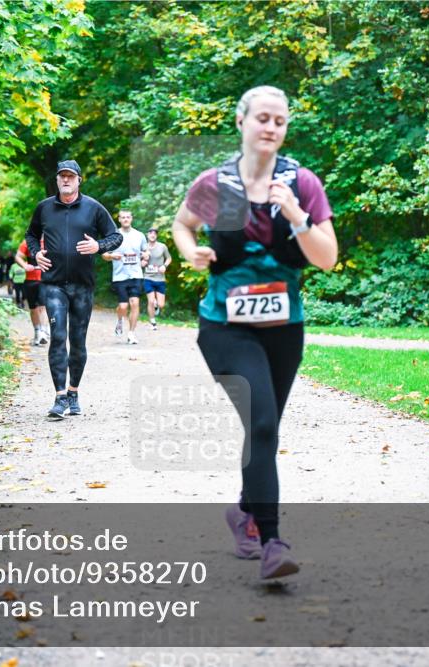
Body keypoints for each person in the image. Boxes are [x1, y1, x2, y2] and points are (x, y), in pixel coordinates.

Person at [172, 86, 338, 579]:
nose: (271, 127)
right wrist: (192, 252)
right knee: (262, 423)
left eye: (280, 121)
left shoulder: (301, 183)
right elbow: (182, 225)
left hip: (284, 328)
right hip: (226, 326)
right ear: (241, 121)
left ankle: (245, 508)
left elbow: (327, 258)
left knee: (263, 428)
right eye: (262, 118)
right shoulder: (215, 183)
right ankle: (272, 542)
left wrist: (298, 217)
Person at [25, 160, 122, 420]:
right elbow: (31, 235)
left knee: (78, 341)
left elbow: (115, 236)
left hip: (82, 286)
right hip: (53, 284)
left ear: (79, 180)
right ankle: (59, 397)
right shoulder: (44, 208)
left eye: (70, 176)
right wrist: (36, 254)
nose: (66, 180)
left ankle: (73, 392)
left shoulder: (93, 208)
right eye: (62, 176)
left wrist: (98, 247)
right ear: (57, 180)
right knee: (57, 336)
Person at [102, 210, 149, 344]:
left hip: (136, 274)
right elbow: (104, 254)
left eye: (128, 217)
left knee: (135, 303)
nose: (126, 219)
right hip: (120, 276)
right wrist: (112, 256)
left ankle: (131, 333)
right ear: (119, 219)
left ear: (131, 218)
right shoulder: (114, 236)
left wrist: (146, 257)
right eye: (123, 217)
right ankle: (119, 320)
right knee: (123, 306)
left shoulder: (139, 235)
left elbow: (146, 251)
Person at [16, 239, 49, 346]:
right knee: (33, 308)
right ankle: (37, 332)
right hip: (30, 280)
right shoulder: (27, 242)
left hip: (45, 279)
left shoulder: (51, 240)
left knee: (42, 306)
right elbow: (18, 256)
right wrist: (25, 265)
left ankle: (43, 332)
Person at [142, 227, 172, 330]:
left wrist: (164, 266)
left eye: (154, 233)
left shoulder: (162, 247)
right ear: (147, 235)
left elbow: (169, 258)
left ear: (157, 236)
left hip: (160, 279)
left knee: (161, 304)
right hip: (148, 277)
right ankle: (152, 322)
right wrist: (142, 263)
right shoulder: (143, 247)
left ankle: (157, 306)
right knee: (151, 301)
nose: (152, 235)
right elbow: (139, 260)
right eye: (150, 233)